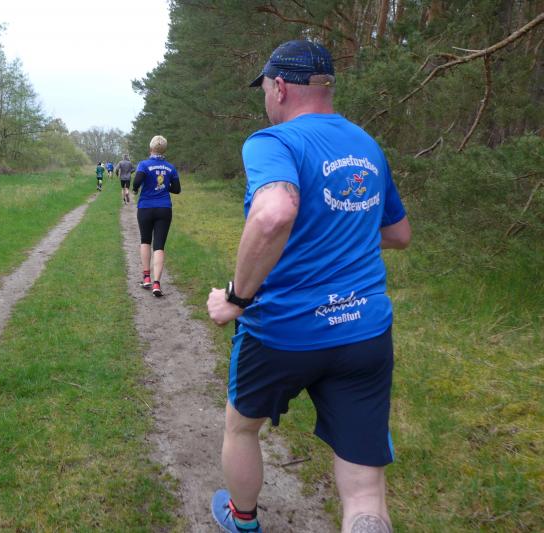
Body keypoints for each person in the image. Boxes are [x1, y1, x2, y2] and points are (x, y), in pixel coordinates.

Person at [206, 40, 411, 533]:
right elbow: (398, 233)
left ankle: (242, 518)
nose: (265, 100)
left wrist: (236, 298)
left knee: (242, 427)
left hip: (281, 330)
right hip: (363, 330)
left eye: (264, 89)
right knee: (364, 489)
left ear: (279, 87)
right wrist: (340, 229)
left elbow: (274, 212)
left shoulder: (272, 142)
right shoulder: (366, 145)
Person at [132, 135, 181, 297]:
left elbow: (136, 182)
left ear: (151, 148)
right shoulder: (170, 167)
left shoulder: (144, 164)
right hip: (164, 208)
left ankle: (146, 277)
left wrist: (136, 188)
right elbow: (177, 189)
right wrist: (164, 185)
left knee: (145, 240)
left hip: (145, 207)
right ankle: (157, 284)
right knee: (159, 246)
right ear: (164, 150)